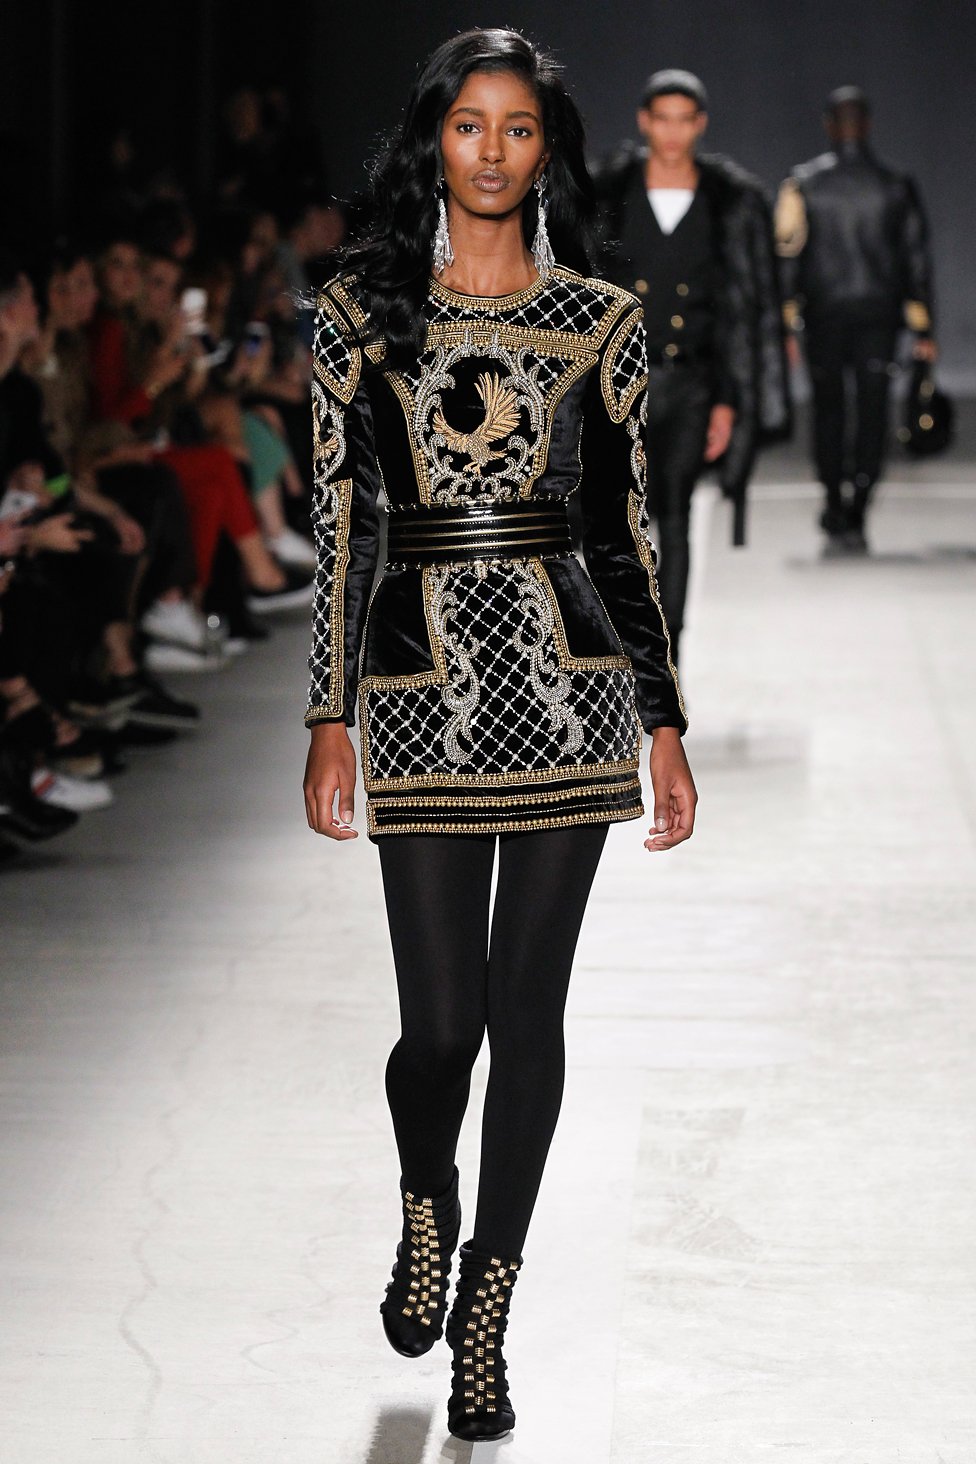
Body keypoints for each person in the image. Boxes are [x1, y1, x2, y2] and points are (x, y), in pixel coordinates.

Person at [301, 28, 697, 1444]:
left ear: (545, 149)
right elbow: (342, 522)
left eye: (517, 128)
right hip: (416, 689)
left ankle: (488, 1306)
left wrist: (663, 715)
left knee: (527, 1018)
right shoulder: (360, 316)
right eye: (468, 125)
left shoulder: (599, 318)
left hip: (569, 687)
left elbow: (623, 529)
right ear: (435, 139)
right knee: (440, 1029)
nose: (490, 150)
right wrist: (329, 710)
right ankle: (428, 1193)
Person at [596, 69, 789, 665]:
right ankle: (622, 647)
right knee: (619, 520)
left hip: (691, 383)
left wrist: (728, 401)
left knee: (675, 515)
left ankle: (666, 655)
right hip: (618, 382)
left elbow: (738, 311)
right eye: (664, 119)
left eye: (685, 120)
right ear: (645, 122)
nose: (674, 133)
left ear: (700, 124)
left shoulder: (727, 204)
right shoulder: (609, 196)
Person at [776, 86, 937, 555]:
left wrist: (786, 320)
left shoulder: (803, 184)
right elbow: (916, 261)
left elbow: (786, 257)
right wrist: (924, 328)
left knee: (828, 408)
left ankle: (833, 500)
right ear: (866, 126)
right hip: (878, 317)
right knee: (872, 410)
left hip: (823, 315)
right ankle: (858, 506)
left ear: (829, 126)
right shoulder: (895, 185)